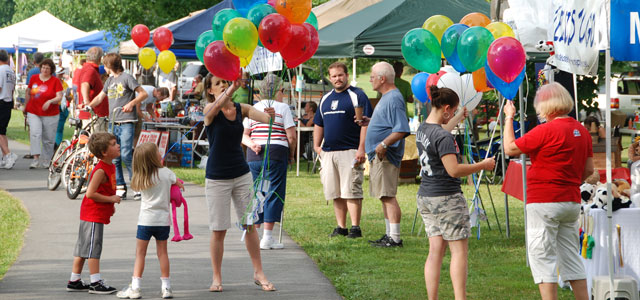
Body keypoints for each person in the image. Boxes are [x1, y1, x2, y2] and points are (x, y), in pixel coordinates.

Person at [503, 82, 593, 300]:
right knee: (571, 259)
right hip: (570, 201)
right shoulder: (582, 130)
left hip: (543, 200)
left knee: (543, 259)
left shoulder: (544, 130)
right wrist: (569, 181)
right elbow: (588, 170)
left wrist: (508, 117)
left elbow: (509, 148)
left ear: (546, 106)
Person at [416, 86, 495, 300]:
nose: (453, 113)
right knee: (458, 251)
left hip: (426, 196)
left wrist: (458, 117)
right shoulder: (443, 137)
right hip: (447, 198)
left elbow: (441, 132)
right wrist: (482, 165)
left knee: (435, 251)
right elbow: (453, 170)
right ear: (446, 108)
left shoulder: (423, 129)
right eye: (454, 110)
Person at [203, 73, 276, 292]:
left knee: (250, 224)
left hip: (241, 174)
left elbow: (265, 119)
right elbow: (212, 110)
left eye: (225, 82)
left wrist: (270, 114)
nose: (223, 86)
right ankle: (217, 277)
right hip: (217, 178)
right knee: (219, 229)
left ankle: (259, 272)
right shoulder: (210, 112)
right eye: (218, 84)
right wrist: (232, 88)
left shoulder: (241, 108)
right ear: (210, 90)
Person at [117, 142, 183, 299]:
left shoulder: (140, 177)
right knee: (162, 253)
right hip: (163, 222)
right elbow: (178, 184)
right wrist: (178, 184)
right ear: (155, 157)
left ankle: (135, 287)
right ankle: (166, 287)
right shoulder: (167, 173)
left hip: (145, 221)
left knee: (140, 253)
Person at [314, 61, 372, 238]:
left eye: (340, 75)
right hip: (329, 152)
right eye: (333, 76)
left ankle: (355, 227)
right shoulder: (326, 98)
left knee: (351, 189)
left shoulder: (357, 96)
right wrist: (317, 147)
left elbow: (365, 124)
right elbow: (319, 123)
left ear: (346, 75)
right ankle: (341, 227)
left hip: (350, 150)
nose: (337, 79)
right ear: (330, 78)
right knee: (335, 191)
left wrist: (361, 148)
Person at [242, 73, 296, 250]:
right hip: (276, 151)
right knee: (274, 191)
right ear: (280, 90)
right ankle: (267, 237)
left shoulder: (253, 107)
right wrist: (292, 154)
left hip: (254, 153)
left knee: (257, 191)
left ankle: (254, 236)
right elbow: (291, 136)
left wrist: (252, 144)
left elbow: (243, 134)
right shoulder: (283, 107)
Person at [66, 132, 121, 294]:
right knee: (92, 249)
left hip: (95, 214)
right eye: (113, 144)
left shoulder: (109, 166)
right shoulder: (100, 170)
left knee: (84, 247)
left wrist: (110, 203)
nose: (117, 145)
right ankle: (95, 282)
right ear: (104, 152)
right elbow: (90, 193)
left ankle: (74, 280)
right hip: (93, 215)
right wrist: (111, 199)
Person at [363, 62, 410, 247]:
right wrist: (371, 120)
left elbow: (401, 129)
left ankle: (395, 238)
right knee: (384, 195)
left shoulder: (393, 98)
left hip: (386, 155)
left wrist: (383, 144)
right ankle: (389, 234)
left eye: (373, 76)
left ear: (382, 79)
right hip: (380, 155)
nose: (370, 79)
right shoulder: (387, 97)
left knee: (388, 195)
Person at [89, 53, 148, 200]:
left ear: (110, 65)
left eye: (105, 65)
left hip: (127, 121)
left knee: (126, 154)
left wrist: (131, 103)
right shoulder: (109, 80)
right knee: (114, 156)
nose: (104, 67)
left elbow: (143, 93)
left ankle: (137, 186)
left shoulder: (127, 77)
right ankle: (120, 186)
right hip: (113, 122)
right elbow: (100, 97)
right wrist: (88, 105)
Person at [24, 58, 63, 169]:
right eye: (43, 67)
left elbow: (59, 96)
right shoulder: (34, 78)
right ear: (40, 68)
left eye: (47, 68)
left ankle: (47, 159)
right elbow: (28, 92)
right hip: (34, 111)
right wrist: (25, 106)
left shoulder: (55, 81)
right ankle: (35, 158)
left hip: (51, 113)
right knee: (35, 133)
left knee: (48, 138)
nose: (45, 70)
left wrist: (50, 101)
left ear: (51, 70)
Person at [79, 47, 108, 132]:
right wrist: (87, 102)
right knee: (97, 142)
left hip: (95, 115)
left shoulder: (89, 68)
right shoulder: (90, 70)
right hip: (94, 115)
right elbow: (85, 84)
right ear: (100, 59)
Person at [0, 50, 18, 169]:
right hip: (8, 102)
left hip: (1, 101)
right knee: (2, 131)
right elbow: (12, 89)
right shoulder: (11, 71)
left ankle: (8, 154)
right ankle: (5, 157)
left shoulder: (0, 70)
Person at [54, 67, 73, 149]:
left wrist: (67, 96)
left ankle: (57, 145)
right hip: (54, 107)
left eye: (61, 73)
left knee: (59, 128)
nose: (60, 75)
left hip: (62, 108)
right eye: (59, 73)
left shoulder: (65, 84)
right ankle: (55, 145)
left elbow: (70, 97)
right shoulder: (52, 83)